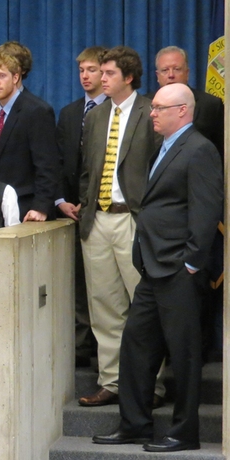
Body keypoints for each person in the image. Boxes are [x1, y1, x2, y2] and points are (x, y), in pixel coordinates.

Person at [93, 83, 223, 453]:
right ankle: (135, 424)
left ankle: (184, 432)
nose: (152, 113)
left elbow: (205, 209)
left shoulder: (199, 149)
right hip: (153, 266)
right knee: (136, 346)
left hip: (179, 269)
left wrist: (193, 264)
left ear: (182, 110)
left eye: (159, 108)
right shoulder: (164, 147)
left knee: (183, 353)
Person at [76, 46, 163, 408]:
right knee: (104, 307)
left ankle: (150, 386)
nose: (101, 78)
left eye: (109, 73)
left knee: (142, 306)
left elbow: (161, 167)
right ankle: (111, 381)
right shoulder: (95, 117)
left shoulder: (150, 111)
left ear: (128, 77)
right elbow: (87, 170)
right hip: (98, 220)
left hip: (134, 219)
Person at [55, 46, 107, 368]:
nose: (85, 76)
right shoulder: (71, 112)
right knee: (77, 282)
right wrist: (61, 200)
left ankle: (107, 348)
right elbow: (59, 162)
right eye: (81, 70)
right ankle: (81, 346)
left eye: (92, 70)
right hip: (73, 208)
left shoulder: (116, 111)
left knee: (104, 285)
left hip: (105, 209)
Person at [0, 53, 59, 221]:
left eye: (2, 76)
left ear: (16, 77)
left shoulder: (36, 110)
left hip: (27, 204)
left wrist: (41, 206)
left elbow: (47, 164)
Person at [147, 46, 224, 156]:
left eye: (177, 69)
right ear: (157, 76)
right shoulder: (145, 103)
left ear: (187, 73)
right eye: (165, 70)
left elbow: (220, 151)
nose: (171, 75)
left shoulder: (211, 104)